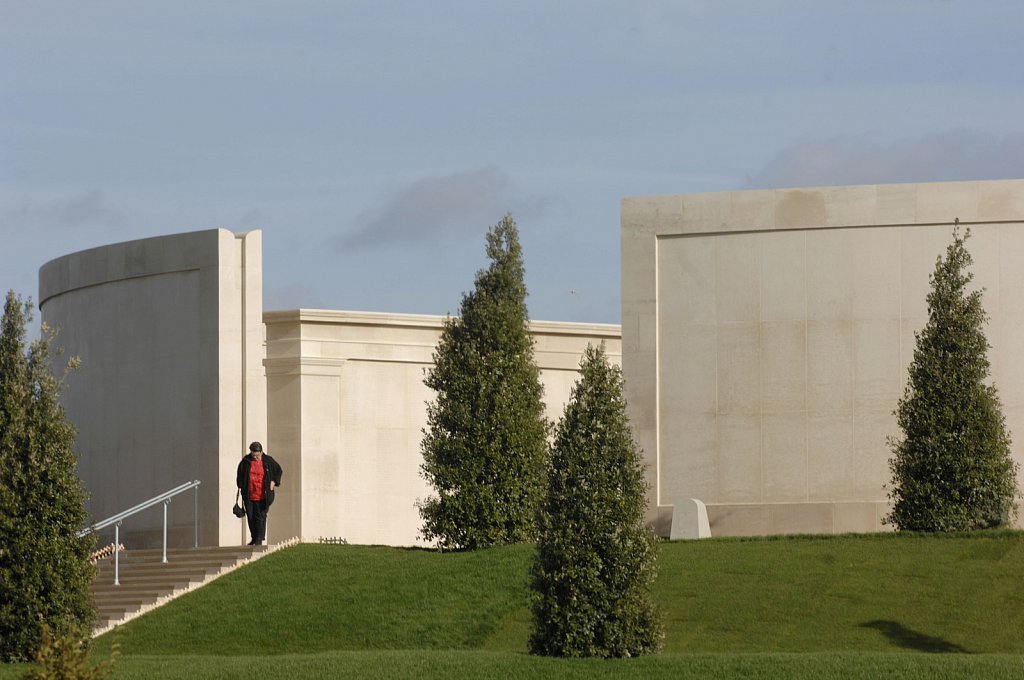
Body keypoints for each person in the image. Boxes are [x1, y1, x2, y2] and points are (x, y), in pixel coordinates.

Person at [235, 441, 283, 546]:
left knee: (260, 516)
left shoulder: (268, 460)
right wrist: (241, 485)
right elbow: (240, 474)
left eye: (257, 455)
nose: (255, 457)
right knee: (251, 517)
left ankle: (259, 539)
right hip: (249, 495)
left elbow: (278, 471)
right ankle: (254, 537)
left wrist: (274, 481)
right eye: (253, 455)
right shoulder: (246, 461)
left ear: (261, 452)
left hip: (263, 495)